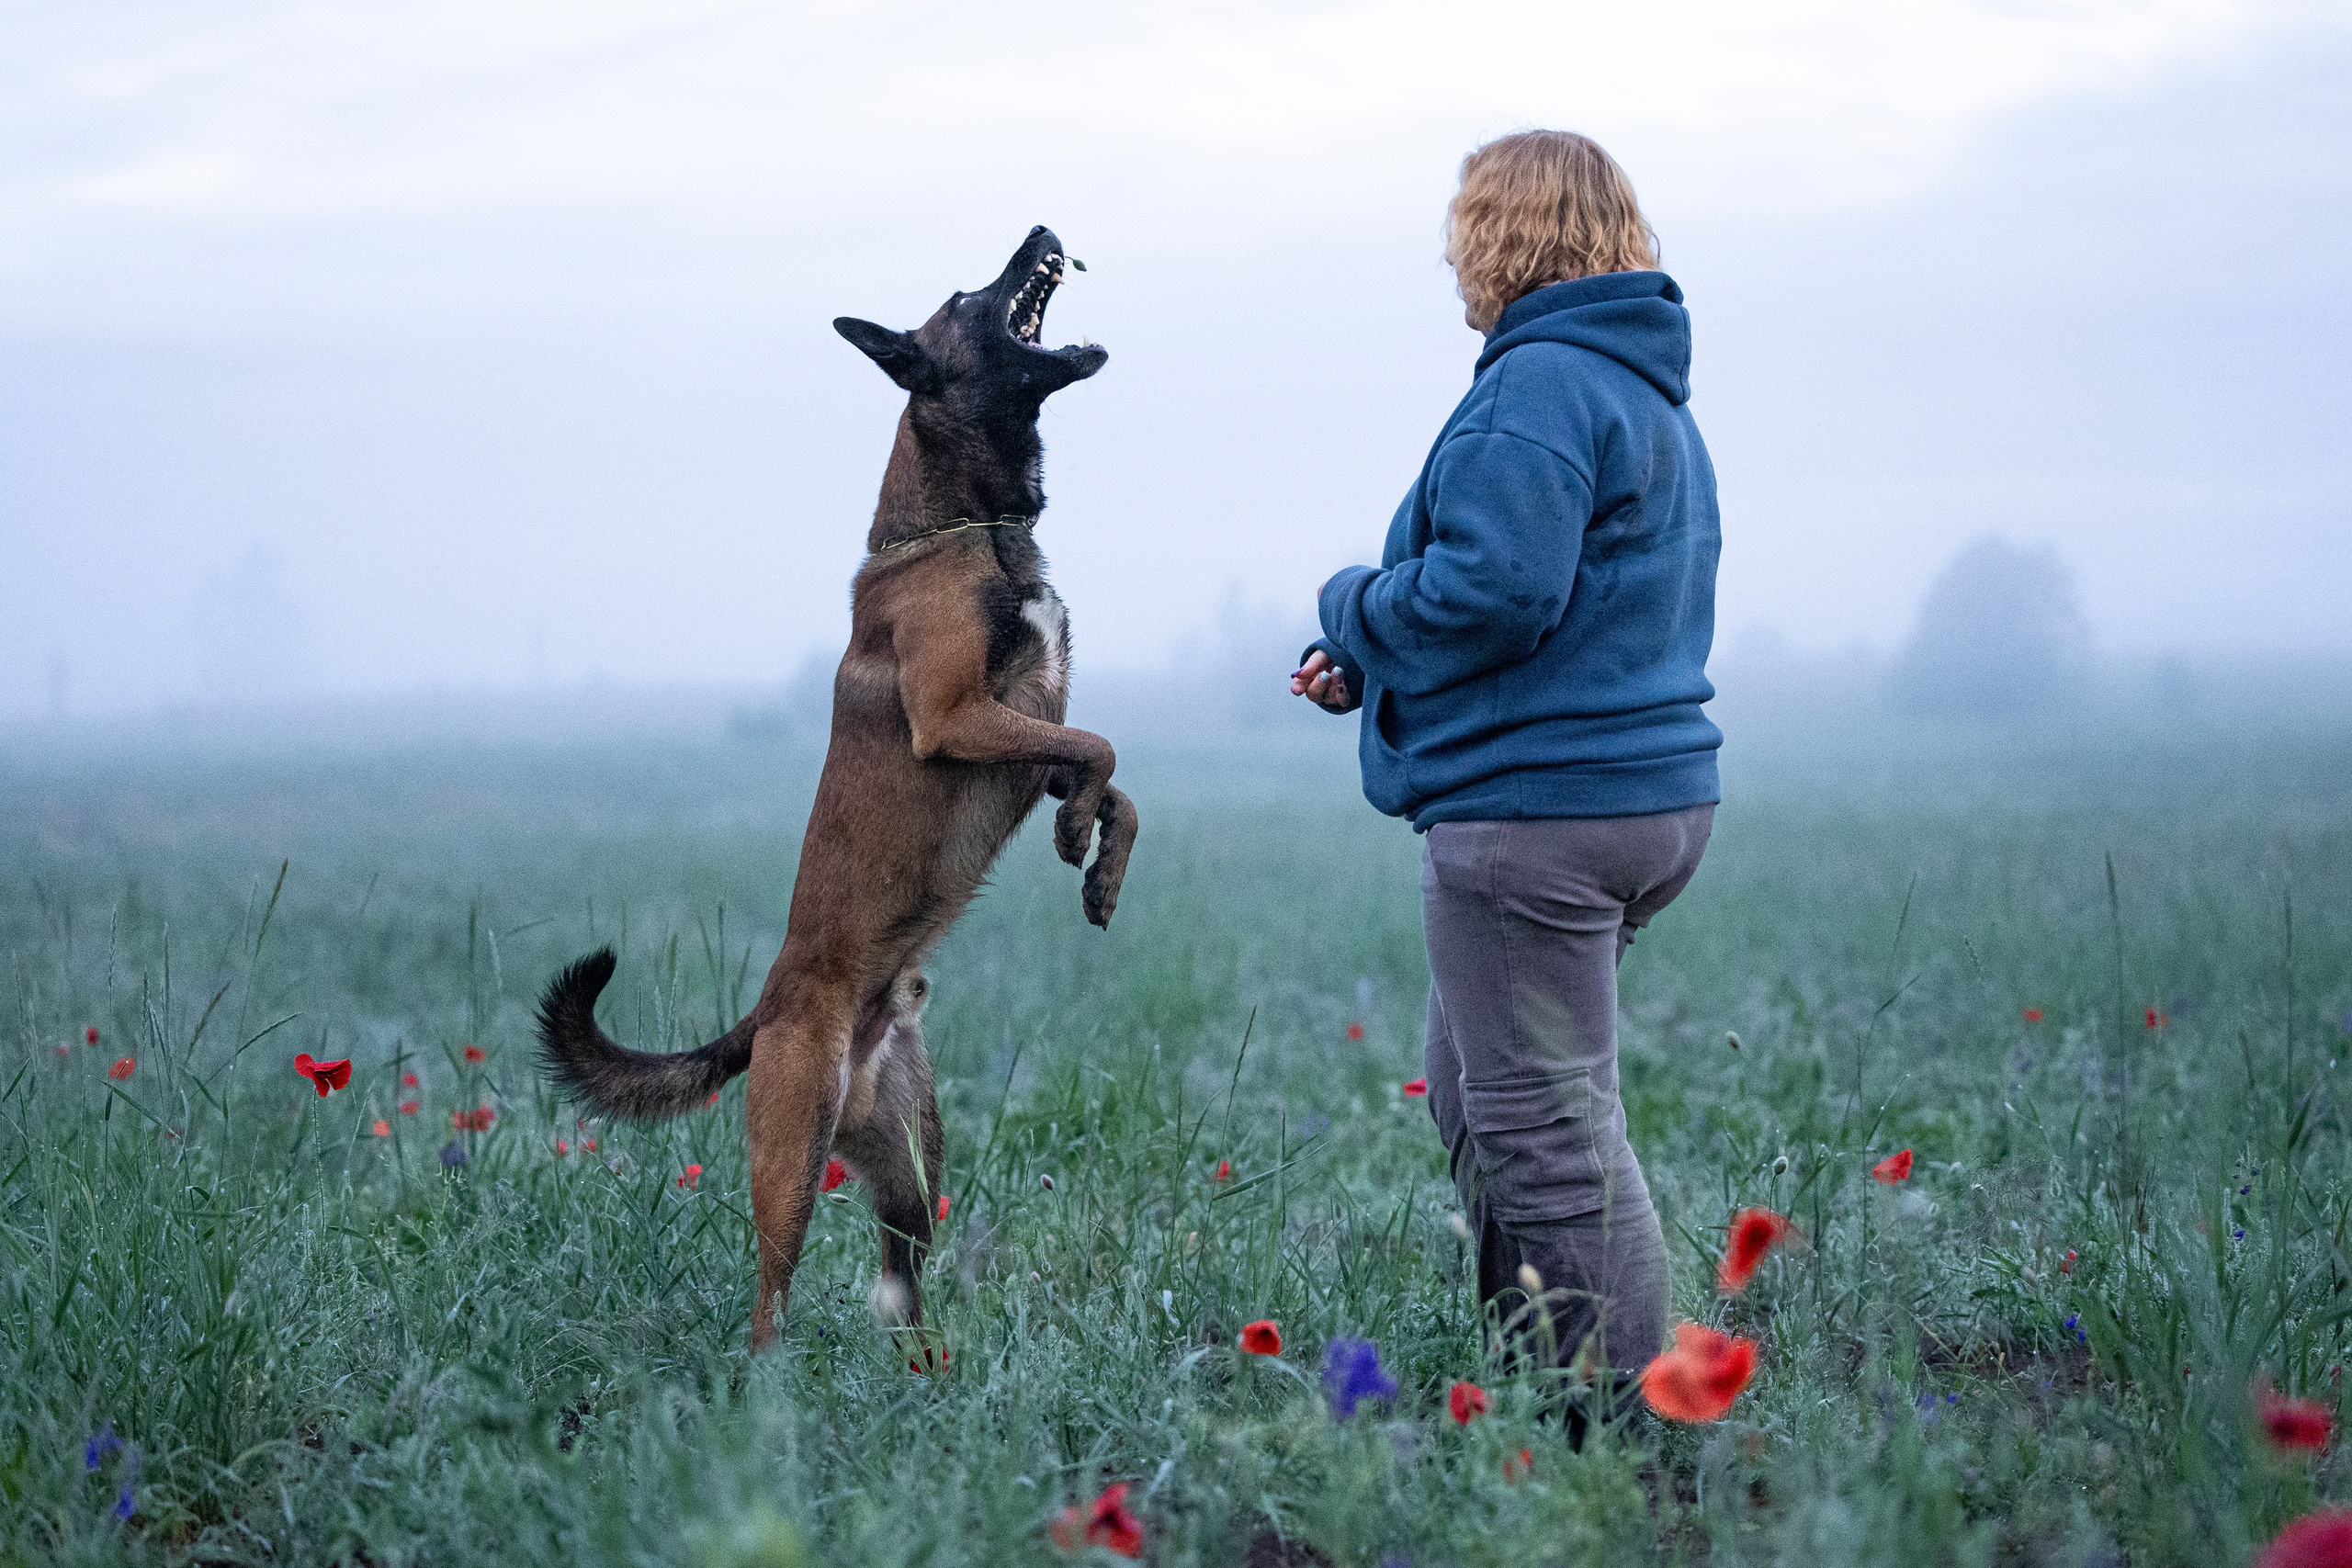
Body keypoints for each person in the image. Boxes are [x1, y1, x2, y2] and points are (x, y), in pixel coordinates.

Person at [1292, 130, 1721, 1412]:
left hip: (1538, 819)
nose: (1450, 257)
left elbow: (1501, 588)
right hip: (1642, 799)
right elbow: (1561, 609)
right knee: (1489, 1099)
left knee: (1546, 1136)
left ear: (1500, 236)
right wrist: (1377, 664)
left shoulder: (1537, 386)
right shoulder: (1641, 393)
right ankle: (1536, 1374)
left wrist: (1356, 604)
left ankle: (1611, 1442)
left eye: (1462, 228)